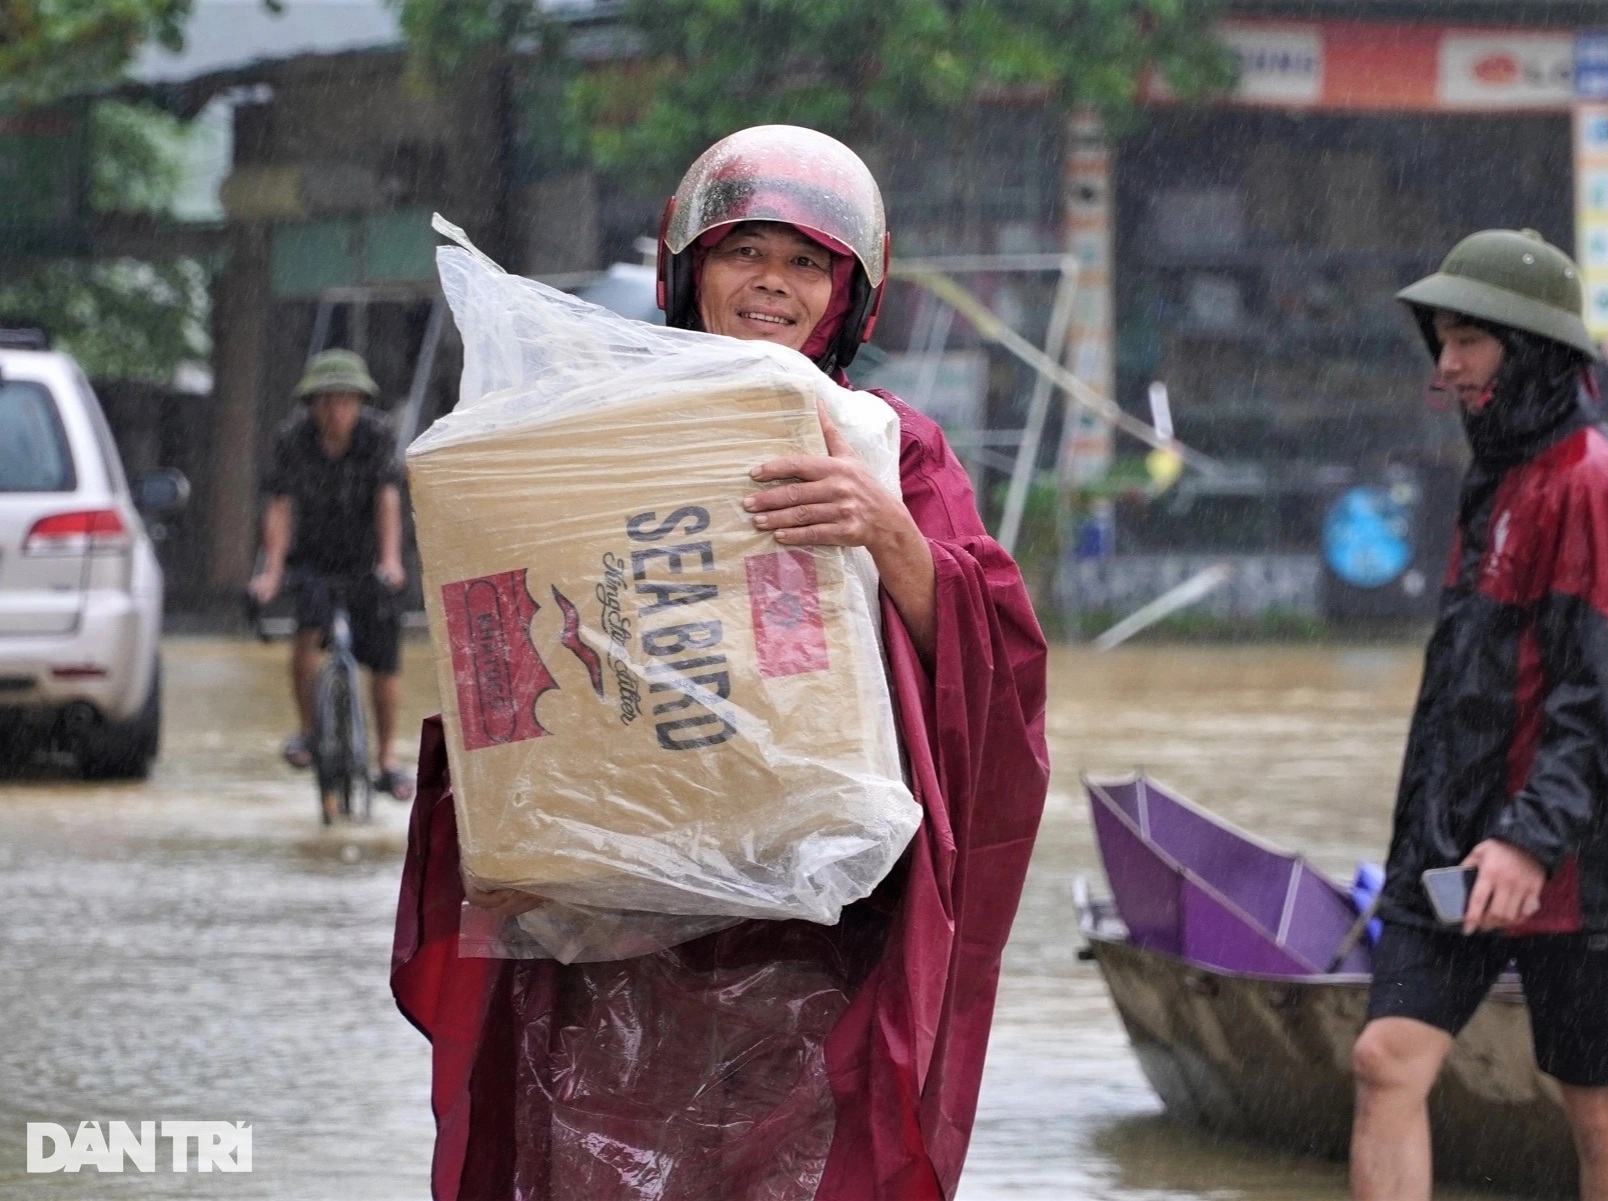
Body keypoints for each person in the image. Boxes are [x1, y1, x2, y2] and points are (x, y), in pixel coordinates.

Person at [391, 125, 1050, 1200]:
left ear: (849, 295)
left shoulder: (888, 446)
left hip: (813, 940)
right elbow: (505, 628)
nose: (773, 286)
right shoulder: (587, 423)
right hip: (612, 934)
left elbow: (998, 681)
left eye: (806, 263)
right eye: (746, 251)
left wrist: (888, 536)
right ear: (688, 267)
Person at [1349, 229, 1608, 1201]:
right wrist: (1441, 837)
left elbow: (1602, 697)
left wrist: (1527, 841)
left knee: (1597, 1105)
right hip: (1458, 846)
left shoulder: (1589, 482)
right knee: (1385, 1061)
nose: (1447, 364)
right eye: (1441, 340)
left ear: (1532, 350)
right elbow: (1468, 688)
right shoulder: (1499, 474)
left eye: (1468, 339)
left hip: (1572, 863)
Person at [249, 349, 414, 809]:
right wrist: (272, 572)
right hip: (315, 557)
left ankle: (384, 759)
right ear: (313, 404)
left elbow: (387, 497)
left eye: (346, 401)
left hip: (369, 558)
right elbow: (279, 505)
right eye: (327, 401)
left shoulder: (378, 435)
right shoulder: (292, 439)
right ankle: (306, 732)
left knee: (385, 657)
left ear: (359, 403)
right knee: (306, 637)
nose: (337, 411)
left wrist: (390, 561)